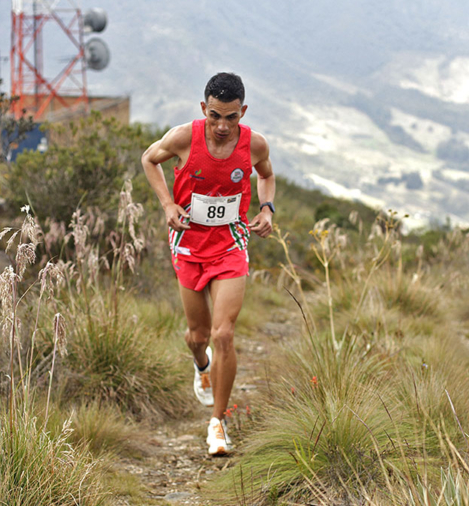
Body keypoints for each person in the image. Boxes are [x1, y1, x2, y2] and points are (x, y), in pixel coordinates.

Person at [140, 72, 275, 456]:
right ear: (204, 109)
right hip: (188, 242)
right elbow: (149, 159)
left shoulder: (255, 145)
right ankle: (201, 366)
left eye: (231, 117)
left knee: (224, 334)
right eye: (214, 115)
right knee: (198, 337)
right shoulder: (184, 137)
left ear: (242, 113)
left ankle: (218, 423)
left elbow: (266, 176)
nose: (221, 126)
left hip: (230, 243)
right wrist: (168, 203)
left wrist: (266, 208)